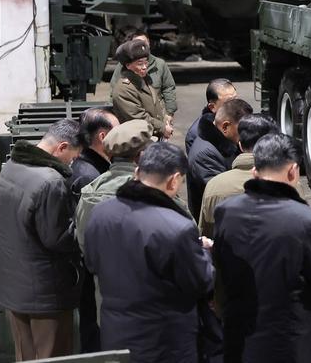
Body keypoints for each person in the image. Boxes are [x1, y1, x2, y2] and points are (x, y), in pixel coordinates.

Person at [84, 142, 214, 363]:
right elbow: (201, 282)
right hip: (165, 343)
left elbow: (92, 263)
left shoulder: (100, 213)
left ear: (137, 172)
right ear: (174, 180)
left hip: (115, 333)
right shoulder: (177, 227)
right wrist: (205, 254)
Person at [214, 133, 311, 363]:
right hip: (289, 342)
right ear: (293, 171)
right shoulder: (306, 220)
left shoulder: (225, 211)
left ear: (254, 171)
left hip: (238, 334)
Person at [0, 119, 84, 360]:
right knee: (52, 355)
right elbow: (57, 238)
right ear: (62, 147)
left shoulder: (12, 165)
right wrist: (85, 228)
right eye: (73, 156)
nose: (72, 162)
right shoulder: (51, 181)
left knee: (25, 355)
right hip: (46, 292)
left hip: (15, 286)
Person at [74, 119, 153, 354]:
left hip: (105, 299)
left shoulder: (91, 190)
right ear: (140, 156)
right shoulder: (151, 192)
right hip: (150, 302)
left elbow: (84, 247)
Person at [199, 113, 278, 238]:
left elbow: (206, 236)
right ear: (274, 145)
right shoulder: (289, 184)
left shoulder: (214, 186)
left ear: (240, 144)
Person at [188, 98, 253, 217]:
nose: (246, 134)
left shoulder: (225, 143)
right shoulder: (205, 155)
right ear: (225, 127)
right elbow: (222, 196)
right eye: (242, 129)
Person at [111, 38, 174, 139]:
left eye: (146, 62)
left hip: (152, 136)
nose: (145, 67)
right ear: (128, 65)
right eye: (140, 63)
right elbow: (138, 116)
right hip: (137, 141)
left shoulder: (144, 79)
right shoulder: (124, 89)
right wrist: (162, 128)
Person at [110, 28, 177, 119]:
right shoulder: (122, 67)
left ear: (149, 43)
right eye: (136, 43)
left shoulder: (160, 64)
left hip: (158, 115)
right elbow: (114, 90)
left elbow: (168, 88)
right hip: (136, 115)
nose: (144, 67)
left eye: (143, 42)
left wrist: (169, 113)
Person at [67, 108, 119, 199]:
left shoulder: (87, 166)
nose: (122, 137)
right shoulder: (88, 177)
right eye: (118, 132)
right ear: (103, 137)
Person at [186, 78, 238, 152]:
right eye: (229, 102)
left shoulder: (241, 119)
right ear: (212, 107)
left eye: (236, 99)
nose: (236, 105)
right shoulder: (195, 134)